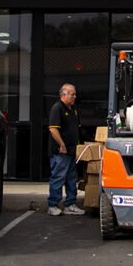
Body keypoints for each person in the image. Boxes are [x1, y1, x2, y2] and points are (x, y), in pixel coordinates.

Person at [47, 83, 85, 216]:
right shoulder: (57, 108)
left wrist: (79, 145)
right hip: (61, 152)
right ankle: (53, 205)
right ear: (63, 95)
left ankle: (70, 204)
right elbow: (53, 129)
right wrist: (61, 144)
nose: (74, 96)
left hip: (71, 151)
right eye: (72, 94)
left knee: (71, 179)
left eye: (75, 94)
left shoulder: (73, 108)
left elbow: (76, 129)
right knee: (58, 177)